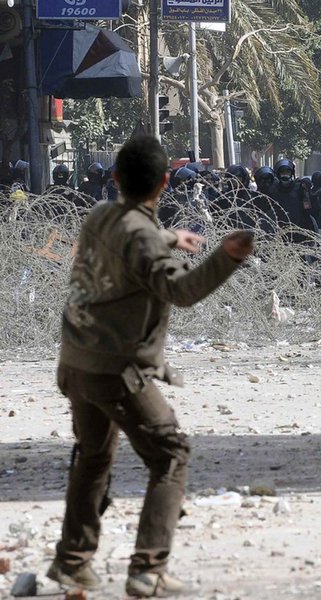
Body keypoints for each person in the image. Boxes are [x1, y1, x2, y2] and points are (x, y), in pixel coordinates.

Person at [49, 135, 253, 597]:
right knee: (170, 455)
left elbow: (129, 237)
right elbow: (180, 291)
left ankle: (72, 562)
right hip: (115, 369)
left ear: (116, 177)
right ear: (164, 182)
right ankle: (148, 568)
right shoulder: (142, 236)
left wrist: (167, 236)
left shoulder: (100, 214)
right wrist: (226, 257)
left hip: (76, 361)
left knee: (94, 456)